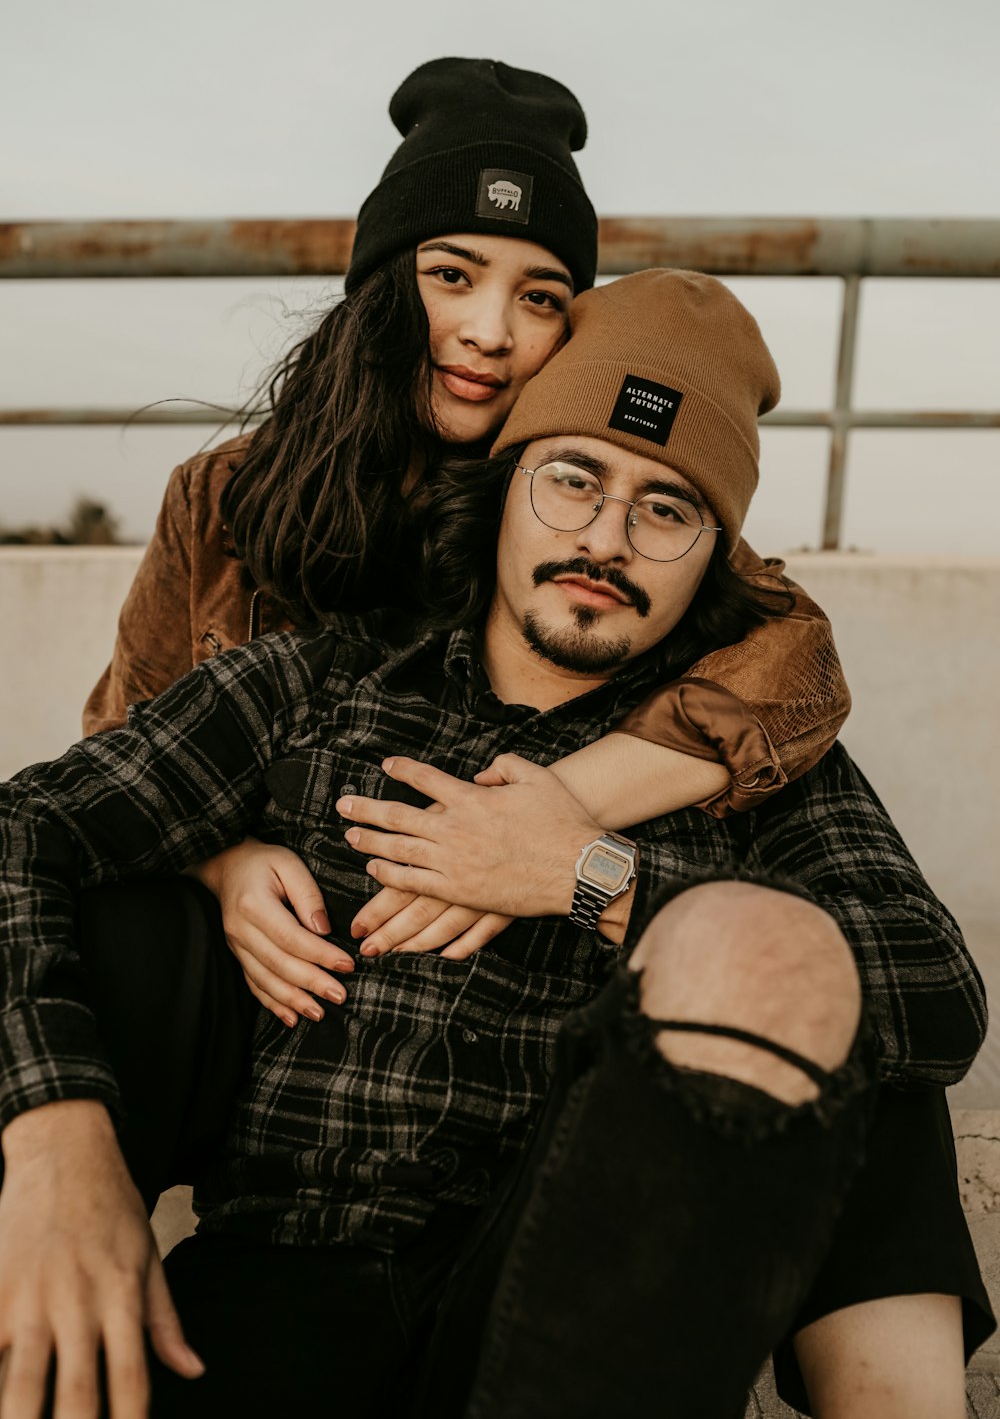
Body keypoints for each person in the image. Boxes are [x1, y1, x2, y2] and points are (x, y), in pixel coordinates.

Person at [0, 270, 990, 1419]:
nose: (606, 539)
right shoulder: (321, 688)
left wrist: (584, 875)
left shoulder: (751, 770)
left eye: (667, 509)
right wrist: (61, 1139)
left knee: (800, 963)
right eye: (573, 480)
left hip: (571, 1308)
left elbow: (935, 997)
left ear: (716, 555)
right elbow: (27, 832)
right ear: (507, 487)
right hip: (284, 1276)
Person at [78, 56, 852, 1028]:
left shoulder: (572, 500)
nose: (489, 332)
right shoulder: (224, 495)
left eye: (539, 297)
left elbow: (795, 657)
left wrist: (545, 815)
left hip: (487, 991)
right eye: (451, 276)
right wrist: (219, 865)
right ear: (379, 287)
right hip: (275, 971)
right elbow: (122, 736)